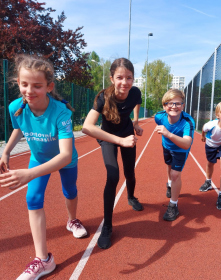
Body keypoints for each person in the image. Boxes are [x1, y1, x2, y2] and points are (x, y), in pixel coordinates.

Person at [0, 54, 87, 280]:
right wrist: (7, 150)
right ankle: (44, 259)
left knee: (70, 191)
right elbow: (19, 127)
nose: (29, 91)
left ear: (49, 87)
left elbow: (66, 155)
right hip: (38, 158)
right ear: (18, 84)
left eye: (37, 86)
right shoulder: (15, 106)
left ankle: (72, 220)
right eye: (24, 84)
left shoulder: (61, 112)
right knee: (33, 199)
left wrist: (29, 174)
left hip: (64, 160)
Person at [82, 57, 143, 249]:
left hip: (126, 134)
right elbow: (86, 127)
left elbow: (137, 103)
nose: (124, 82)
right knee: (113, 176)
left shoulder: (135, 93)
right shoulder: (103, 98)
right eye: (120, 77)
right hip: (108, 137)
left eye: (129, 78)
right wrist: (120, 141)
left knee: (130, 172)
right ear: (111, 78)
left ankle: (131, 197)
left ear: (133, 79)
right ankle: (107, 226)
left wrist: (136, 122)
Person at [154, 89, 195, 221]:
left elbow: (187, 144)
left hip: (180, 150)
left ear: (183, 105)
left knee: (176, 174)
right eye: (170, 103)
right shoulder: (159, 117)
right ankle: (169, 184)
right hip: (166, 146)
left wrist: (168, 134)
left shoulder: (187, 122)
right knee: (168, 165)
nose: (174, 107)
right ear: (164, 106)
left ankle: (173, 205)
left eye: (178, 103)